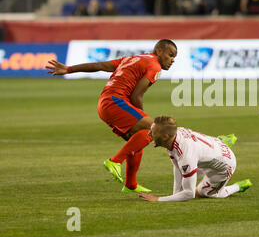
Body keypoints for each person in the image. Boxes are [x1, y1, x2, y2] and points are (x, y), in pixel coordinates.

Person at [46, 40, 178, 192]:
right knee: (152, 129)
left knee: (137, 139)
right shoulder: (154, 66)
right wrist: (142, 117)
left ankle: (131, 185)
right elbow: (137, 96)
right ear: (159, 51)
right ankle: (114, 162)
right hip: (115, 102)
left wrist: (69, 69)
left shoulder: (132, 59)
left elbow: (100, 66)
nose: (173, 59)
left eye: (174, 57)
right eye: (171, 55)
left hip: (104, 104)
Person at [138, 116, 252, 202]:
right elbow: (176, 165)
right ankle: (221, 142)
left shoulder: (185, 154)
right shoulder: (173, 135)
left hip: (225, 165)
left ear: (165, 136)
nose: (149, 134)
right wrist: (175, 194)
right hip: (206, 152)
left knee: (204, 193)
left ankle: (238, 186)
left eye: (153, 132)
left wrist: (158, 199)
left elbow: (189, 194)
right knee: (186, 175)